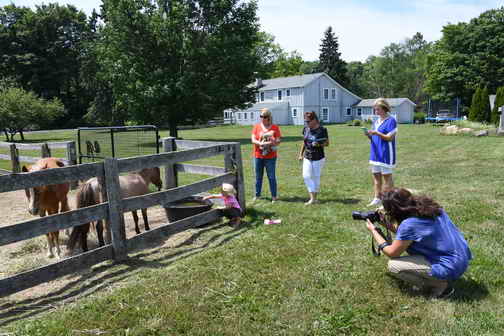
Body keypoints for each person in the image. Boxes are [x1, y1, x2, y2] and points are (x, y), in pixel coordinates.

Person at [365, 188, 472, 298]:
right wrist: (386, 225)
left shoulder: (409, 224)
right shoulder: (432, 209)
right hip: (461, 259)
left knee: (394, 266)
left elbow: (392, 252)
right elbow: (411, 235)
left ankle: (440, 285)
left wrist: (374, 231)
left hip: (450, 266)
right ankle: (439, 279)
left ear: (394, 210)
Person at [364, 98, 398, 207]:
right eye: (375, 110)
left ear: (384, 109)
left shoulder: (391, 121)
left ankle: (390, 200)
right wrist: (369, 135)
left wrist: (377, 133)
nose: (376, 112)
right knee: (376, 177)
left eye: (377, 109)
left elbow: (389, 138)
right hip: (375, 153)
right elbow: (374, 137)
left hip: (385, 153)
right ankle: (377, 198)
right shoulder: (376, 121)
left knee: (387, 178)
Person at [298, 111, 329, 205]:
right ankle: (312, 197)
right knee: (306, 176)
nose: (307, 123)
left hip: (318, 157)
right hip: (307, 156)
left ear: (314, 120)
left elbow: (327, 143)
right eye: (306, 121)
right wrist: (300, 154)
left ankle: (313, 198)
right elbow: (304, 141)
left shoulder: (322, 130)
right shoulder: (306, 129)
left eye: (308, 121)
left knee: (316, 177)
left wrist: (319, 144)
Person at [251, 108, 281, 202]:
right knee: (258, 176)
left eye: (263, 117)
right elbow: (253, 139)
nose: (261, 118)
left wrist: (271, 143)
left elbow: (278, 140)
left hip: (271, 157)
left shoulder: (275, 127)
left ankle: (274, 197)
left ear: (268, 117)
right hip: (258, 156)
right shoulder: (256, 127)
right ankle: (257, 195)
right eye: (261, 116)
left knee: (271, 177)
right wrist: (260, 144)